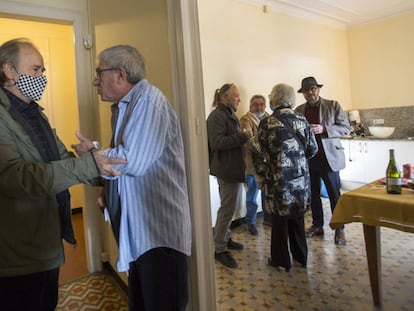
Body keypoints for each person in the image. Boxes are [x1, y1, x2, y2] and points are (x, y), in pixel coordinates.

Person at [0, 38, 124, 311]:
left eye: (42, 71)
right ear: (9, 71)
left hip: (46, 245)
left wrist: (101, 172)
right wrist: (90, 165)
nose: (41, 77)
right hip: (17, 257)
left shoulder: (35, 113)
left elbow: (61, 159)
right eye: (35, 70)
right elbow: (18, 177)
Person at [73, 44, 192, 311]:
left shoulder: (149, 100)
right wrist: (108, 191)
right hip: (140, 235)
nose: (95, 80)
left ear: (120, 74)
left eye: (98, 72)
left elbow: (132, 161)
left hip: (158, 237)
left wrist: (91, 153)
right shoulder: (123, 107)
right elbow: (131, 162)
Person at [253, 83, 318, 272]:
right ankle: (301, 257)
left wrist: (263, 176)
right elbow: (312, 149)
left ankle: (281, 260)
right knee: (297, 218)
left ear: (274, 100)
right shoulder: (301, 119)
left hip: (278, 180)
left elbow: (257, 152)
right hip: (300, 180)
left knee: (279, 222)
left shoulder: (267, 123)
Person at [295, 76, 351, 245]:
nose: (310, 92)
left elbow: (346, 127)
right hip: (309, 159)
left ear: (318, 89)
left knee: (335, 195)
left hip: (329, 159)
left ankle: (340, 229)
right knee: (313, 195)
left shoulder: (333, 105)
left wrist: (324, 129)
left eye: (313, 89)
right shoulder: (298, 110)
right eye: (307, 90)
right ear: (303, 93)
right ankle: (317, 225)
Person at [207, 83, 251, 268]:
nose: (239, 99)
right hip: (226, 170)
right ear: (224, 98)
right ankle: (219, 249)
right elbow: (217, 142)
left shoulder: (228, 114)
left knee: (229, 208)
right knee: (226, 210)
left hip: (232, 169)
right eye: (236, 96)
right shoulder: (217, 116)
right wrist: (243, 136)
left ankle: (225, 237)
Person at [240, 94, 270, 235]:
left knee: (267, 194)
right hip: (251, 165)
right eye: (255, 104)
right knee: (252, 196)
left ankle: (268, 218)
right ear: (250, 106)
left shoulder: (269, 117)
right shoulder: (245, 119)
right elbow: (249, 139)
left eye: (261, 104)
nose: (259, 107)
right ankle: (250, 222)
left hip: (268, 165)